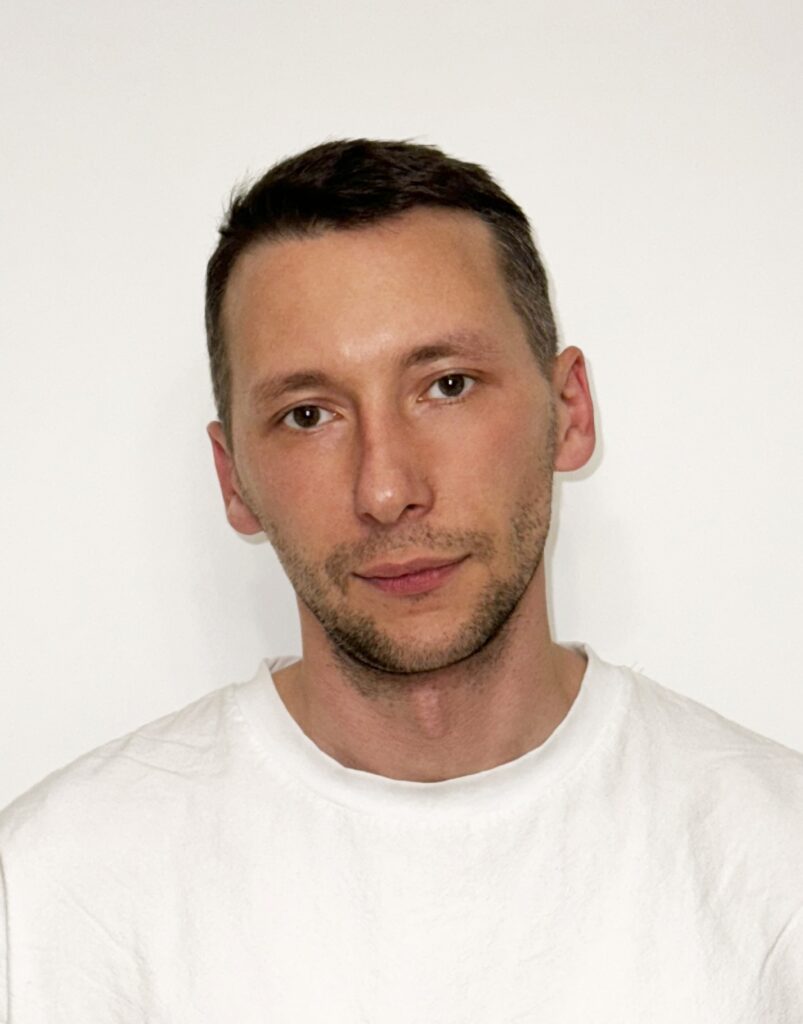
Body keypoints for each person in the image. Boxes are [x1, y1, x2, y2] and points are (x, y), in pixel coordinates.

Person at [1, 138, 801, 1023]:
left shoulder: (775, 865)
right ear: (233, 480)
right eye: (308, 414)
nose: (386, 491)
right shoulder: (48, 898)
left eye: (447, 385)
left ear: (568, 412)